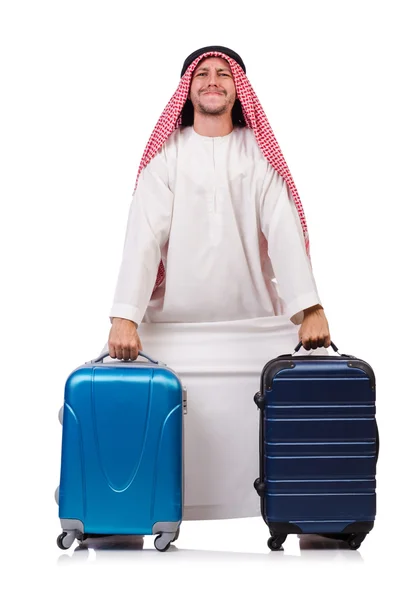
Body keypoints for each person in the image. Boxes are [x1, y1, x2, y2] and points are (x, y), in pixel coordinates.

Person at [105, 46, 331, 521]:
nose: (213, 80)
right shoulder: (167, 156)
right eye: (202, 74)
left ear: (238, 89)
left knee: (301, 395)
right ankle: (125, 511)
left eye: (223, 74)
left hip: (251, 331)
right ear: (188, 89)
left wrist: (309, 310)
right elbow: (142, 238)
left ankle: (306, 511)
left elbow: (284, 231)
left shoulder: (256, 155)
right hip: (174, 331)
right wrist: (124, 317)